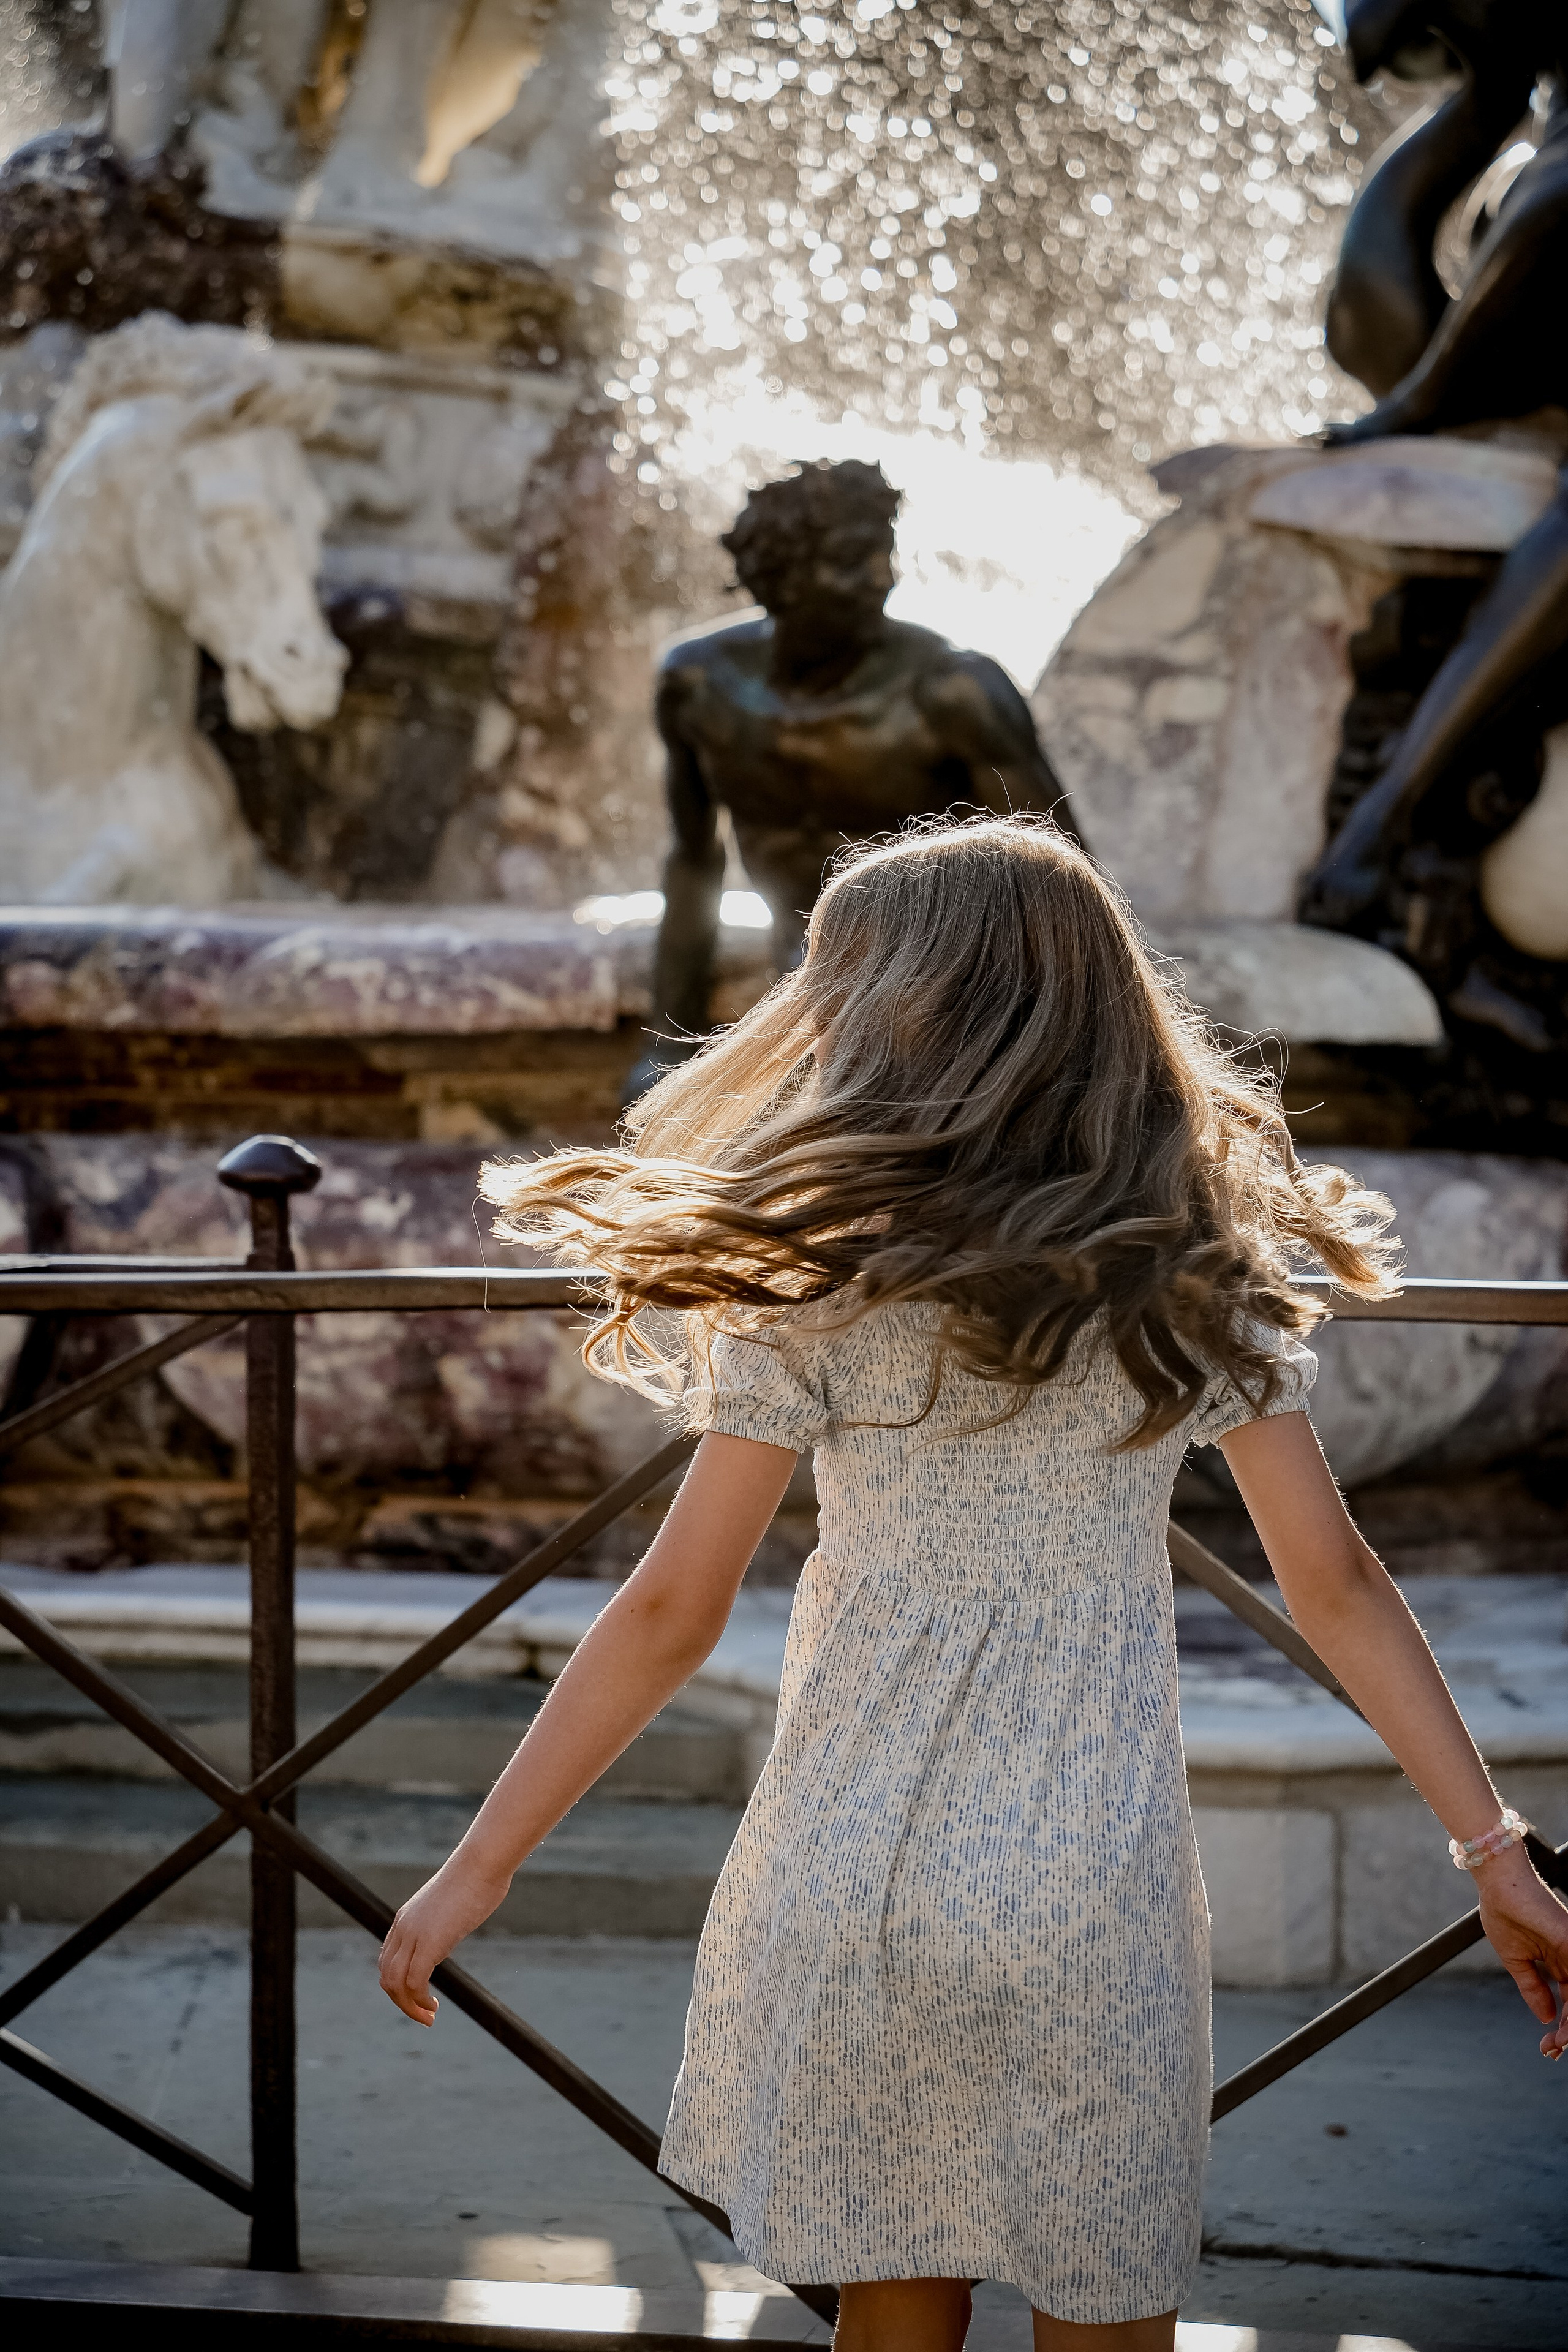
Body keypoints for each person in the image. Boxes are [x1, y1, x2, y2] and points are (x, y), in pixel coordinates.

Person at [379, 815, 1568, 2352]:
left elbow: (670, 1609)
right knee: (1103, 2312)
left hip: (853, 1872)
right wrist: (1491, 1850)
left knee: (887, 2311)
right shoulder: (1185, 1270)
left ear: (878, 1019)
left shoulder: (819, 1275)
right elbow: (1333, 1584)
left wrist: (478, 1866)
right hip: (1092, 1892)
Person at [627, 458, 1074, 1098]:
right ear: (778, 577)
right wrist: (666, 1042)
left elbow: (1064, 879)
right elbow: (695, 863)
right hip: (804, 973)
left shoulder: (953, 691)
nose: (881, 579)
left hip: (942, 986)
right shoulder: (697, 686)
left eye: (883, 555)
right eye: (850, 559)